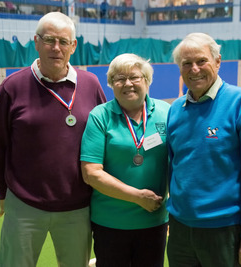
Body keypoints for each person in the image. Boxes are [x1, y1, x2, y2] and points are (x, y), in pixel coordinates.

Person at [0, 12, 106, 267]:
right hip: (24, 206)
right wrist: (1, 191)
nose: (56, 48)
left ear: (73, 46)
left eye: (63, 41)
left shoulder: (91, 84)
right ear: (36, 42)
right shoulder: (12, 87)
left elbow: (107, 136)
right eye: (49, 40)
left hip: (77, 207)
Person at [166, 33, 241, 267]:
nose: (194, 69)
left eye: (201, 61)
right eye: (187, 63)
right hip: (179, 231)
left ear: (217, 62)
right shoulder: (175, 110)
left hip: (225, 232)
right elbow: (173, 168)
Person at [80, 53, 170, 267]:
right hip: (110, 222)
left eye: (135, 77)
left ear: (146, 80)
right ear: (111, 84)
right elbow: (91, 173)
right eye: (119, 78)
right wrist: (137, 197)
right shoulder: (99, 116)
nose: (127, 83)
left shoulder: (167, 112)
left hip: (154, 220)